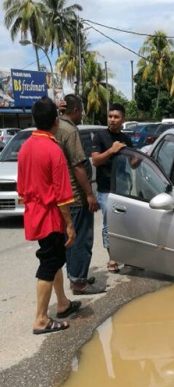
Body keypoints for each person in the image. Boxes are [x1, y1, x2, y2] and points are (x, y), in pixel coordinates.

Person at [17, 97, 82, 335]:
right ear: (56, 120)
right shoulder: (53, 150)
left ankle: (62, 303)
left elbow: (22, 188)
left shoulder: (25, 147)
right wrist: (70, 225)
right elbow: (63, 195)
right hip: (50, 216)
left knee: (53, 259)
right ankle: (41, 319)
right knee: (49, 263)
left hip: (35, 213)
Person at [54, 94, 105, 295]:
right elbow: (78, 166)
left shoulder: (56, 126)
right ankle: (78, 282)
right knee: (81, 239)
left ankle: (77, 275)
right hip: (76, 196)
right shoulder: (70, 131)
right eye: (81, 111)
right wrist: (90, 194)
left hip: (65, 195)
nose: (82, 114)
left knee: (72, 238)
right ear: (75, 111)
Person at [91, 103, 133, 274]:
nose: (112, 120)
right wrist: (112, 150)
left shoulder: (126, 139)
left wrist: (139, 158)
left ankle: (129, 256)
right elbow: (96, 160)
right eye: (110, 116)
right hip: (105, 189)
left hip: (123, 189)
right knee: (109, 225)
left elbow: (133, 163)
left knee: (125, 224)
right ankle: (112, 257)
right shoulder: (100, 137)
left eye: (116, 117)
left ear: (123, 119)